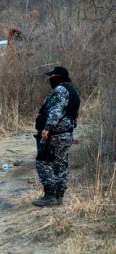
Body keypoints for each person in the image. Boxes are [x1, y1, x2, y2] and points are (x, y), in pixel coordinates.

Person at [32, 66, 80, 207]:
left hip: (55, 134)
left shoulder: (60, 90)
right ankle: (59, 197)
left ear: (58, 76)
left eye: (52, 76)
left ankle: (50, 196)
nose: (50, 79)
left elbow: (56, 111)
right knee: (61, 164)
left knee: (43, 161)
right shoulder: (72, 91)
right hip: (65, 133)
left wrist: (47, 129)